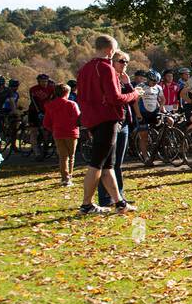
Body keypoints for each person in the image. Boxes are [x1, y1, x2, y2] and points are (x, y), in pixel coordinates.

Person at [76, 34, 140, 215]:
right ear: (110, 50)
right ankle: (86, 205)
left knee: (108, 165)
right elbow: (115, 98)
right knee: (97, 163)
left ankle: (120, 202)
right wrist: (134, 94)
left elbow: (82, 96)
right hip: (106, 118)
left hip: (92, 118)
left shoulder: (84, 69)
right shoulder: (105, 68)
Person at [98, 50, 139, 208]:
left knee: (118, 164)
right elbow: (116, 99)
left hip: (124, 123)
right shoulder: (108, 78)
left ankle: (119, 197)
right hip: (111, 122)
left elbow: (131, 99)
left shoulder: (122, 79)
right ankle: (105, 199)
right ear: (112, 62)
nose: (125, 64)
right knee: (107, 163)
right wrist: (132, 92)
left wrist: (128, 84)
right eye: (122, 61)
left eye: (127, 62)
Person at [43, 83, 80, 186]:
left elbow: (46, 123)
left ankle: (64, 178)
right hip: (71, 132)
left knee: (63, 156)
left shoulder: (50, 105)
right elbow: (78, 119)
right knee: (71, 156)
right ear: (67, 93)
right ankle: (69, 177)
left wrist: (53, 128)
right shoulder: (72, 104)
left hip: (58, 133)